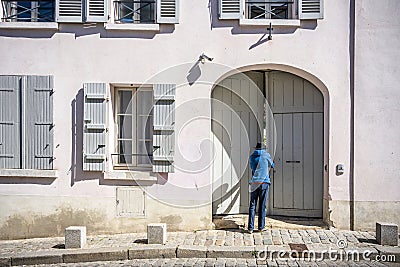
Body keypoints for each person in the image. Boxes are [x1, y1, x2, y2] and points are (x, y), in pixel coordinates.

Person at [248, 142, 274, 233]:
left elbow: (252, 167)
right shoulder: (266, 155)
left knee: (252, 205)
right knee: (262, 205)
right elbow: (272, 165)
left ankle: (250, 228)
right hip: (264, 182)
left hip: (254, 182)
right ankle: (260, 227)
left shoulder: (252, 156)